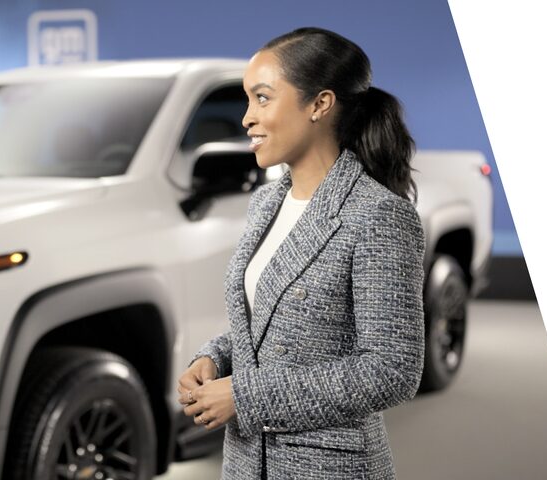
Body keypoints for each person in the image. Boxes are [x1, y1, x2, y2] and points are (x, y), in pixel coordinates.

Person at [177, 27, 426, 479]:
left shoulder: (378, 215)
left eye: (263, 98)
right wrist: (214, 358)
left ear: (319, 104)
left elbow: (393, 368)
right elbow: (272, 324)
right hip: (247, 464)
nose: (247, 118)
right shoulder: (267, 203)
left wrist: (245, 396)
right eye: (247, 100)